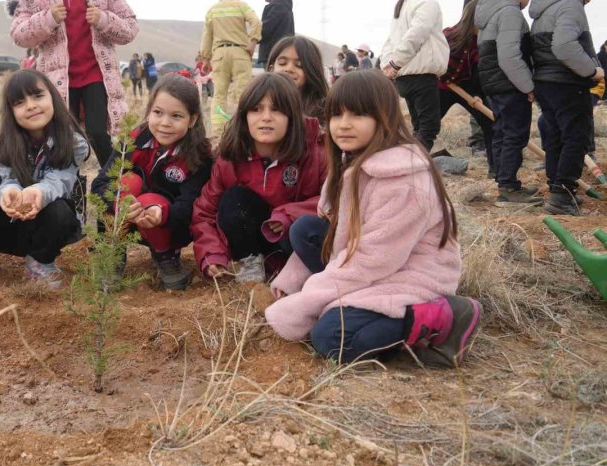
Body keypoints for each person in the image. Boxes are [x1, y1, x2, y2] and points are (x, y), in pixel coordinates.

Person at [266, 71, 482, 367]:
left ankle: (444, 315)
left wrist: (307, 301)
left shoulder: (403, 182)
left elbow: (374, 259)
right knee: (306, 228)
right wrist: (293, 281)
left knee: (331, 337)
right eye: (336, 115)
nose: (343, 125)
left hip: (410, 275)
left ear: (385, 118)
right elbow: (332, 231)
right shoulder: (351, 161)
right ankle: (347, 304)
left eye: (358, 114)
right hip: (375, 264)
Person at [10, 0, 138, 167]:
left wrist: (103, 18)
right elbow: (18, 35)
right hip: (56, 79)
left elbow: (131, 28)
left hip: (95, 76)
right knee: (62, 139)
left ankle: (114, 192)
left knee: (99, 134)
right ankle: (70, 196)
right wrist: (48, 18)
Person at [0, 70, 90, 292]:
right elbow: (4, 177)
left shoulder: (73, 143)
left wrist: (38, 194)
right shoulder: (5, 142)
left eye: (38, 96)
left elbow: (61, 180)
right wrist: (9, 191)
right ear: (11, 111)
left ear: (53, 97)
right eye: (20, 102)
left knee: (59, 207)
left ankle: (40, 263)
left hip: (48, 232)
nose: (31, 105)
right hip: (7, 229)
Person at [192, 73, 326, 285]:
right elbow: (204, 212)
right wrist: (212, 254)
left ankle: (293, 270)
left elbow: (334, 201)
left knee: (308, 227)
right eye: (256, 109)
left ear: (292, 116)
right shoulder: (230, 159)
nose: (266, 117)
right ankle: (251, 262)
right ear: (244, 116)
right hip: (254, 239)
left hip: (296, 243)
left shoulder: (315, 151)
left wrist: (288, 215)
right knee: (234, 199)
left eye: (276, 109)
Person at [92, 74, 213, 290]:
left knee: (149, 199)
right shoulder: (133, 140)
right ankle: (112, 252)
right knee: (127, 181)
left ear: (192, 119)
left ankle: (165, 255)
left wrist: (162, 214)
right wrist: (120, 205)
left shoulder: (199, 156)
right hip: (128, 219)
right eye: (158, 113)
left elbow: (190, 205)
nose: (165, 123)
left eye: (176, 116)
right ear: (149, 111)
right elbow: (100, 184)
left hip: (171, 225)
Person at [531, 0, 606, 215]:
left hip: (546, 83)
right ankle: (563, 195)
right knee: (577, 137)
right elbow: (563, 46)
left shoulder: (544, 8)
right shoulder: (571, 4)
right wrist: (592, 70)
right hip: (567, 83)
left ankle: (557, 186)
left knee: (555, 135)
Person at [475, 0, 542, 207]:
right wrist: (528, 86)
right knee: (515, 134)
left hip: (494, 83)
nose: (530, 1)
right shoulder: (511, 13)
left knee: (503, 132)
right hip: (509, 83)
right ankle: (508, 188)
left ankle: (505, 181)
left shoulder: (490, 13)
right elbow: (509, 56)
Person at [381, 0, 450, 151]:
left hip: (405, 76)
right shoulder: (428, 3)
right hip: (421, 74)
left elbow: (391, 40)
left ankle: (411, 162)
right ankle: (414, 167)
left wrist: (389, 65)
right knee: (429, 128)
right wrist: (394, 64)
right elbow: (415, 36)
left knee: (419, 127)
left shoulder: (405, 3)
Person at [464, 0, 521, 155]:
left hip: (507, 48)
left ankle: (503, 140)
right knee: (481, 93)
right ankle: (478, 141)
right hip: (483, 48)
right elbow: (469, 18)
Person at [437, 0, 494, 176]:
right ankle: (412, 163)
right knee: (428, 125)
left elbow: (480, 73)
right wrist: (441, 75)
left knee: (491, 123)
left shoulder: (482, 42)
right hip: (442, 87)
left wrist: (477, 94)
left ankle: (497, 170)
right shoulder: (447, 35)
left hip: (467, 88)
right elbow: (434, 60)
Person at [199, 0, 263, 127]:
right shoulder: (241, 5)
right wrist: (253, 42)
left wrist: (206, 60)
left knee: (219, 94)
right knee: (243, 93)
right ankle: (243, 129)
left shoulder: (212, 10)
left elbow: (207, 36)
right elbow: (257, 22)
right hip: (240, 53)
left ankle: (218, 132)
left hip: (219, 54)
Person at [265, 35, 329, 124]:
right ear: (271, 69)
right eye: (282, 63)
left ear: (312, 71)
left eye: (299, 65)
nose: (289, 69)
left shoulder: (325, 109)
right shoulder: (256, 100)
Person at [257, 0, 294, 67]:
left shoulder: (276, 6)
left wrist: (253, 38)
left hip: (272, 53)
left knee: (273, 79)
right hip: (284, 50)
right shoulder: (286, 6)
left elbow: (265, 29)